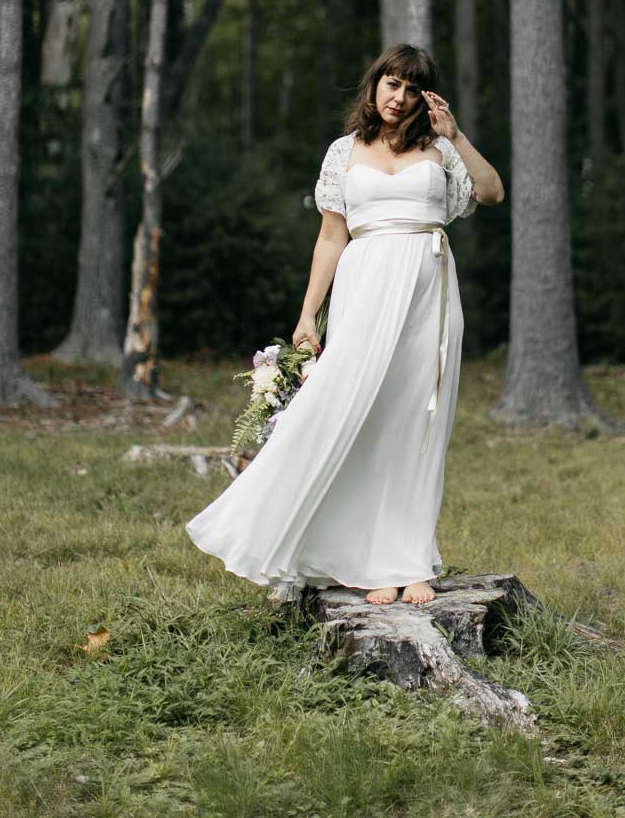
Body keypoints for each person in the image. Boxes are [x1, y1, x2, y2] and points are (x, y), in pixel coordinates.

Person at [187, 43, 505, 606]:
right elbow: (332, 236)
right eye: (391, 84)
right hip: (365, 287)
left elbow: (491, 191)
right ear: (374, 84)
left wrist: (454, 134)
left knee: (415, 424)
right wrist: (308, 314)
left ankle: (409, 560)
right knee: (351, 412)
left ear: (424, 97)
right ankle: (353, 556)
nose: (399, 97)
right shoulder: (344, 151)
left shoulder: (438, 148)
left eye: (411, 89)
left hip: (427, 292)